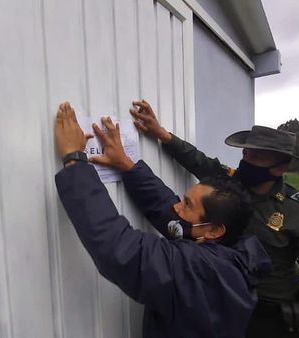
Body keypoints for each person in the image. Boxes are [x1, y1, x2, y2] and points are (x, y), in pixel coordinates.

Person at [129, 100, 299, 338]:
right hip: (224, 310)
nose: (245, 161)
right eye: (246, 153)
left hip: (270, 323)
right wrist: (162, 134)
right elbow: (199, 161)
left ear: (280, 167)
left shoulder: (298, 213)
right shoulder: (232, 184)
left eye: (256, 156)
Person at [53, 101, 271, 338]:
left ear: (214, 230)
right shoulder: (231, 253)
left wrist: (74, 160)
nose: (176, 206)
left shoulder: (200, 270)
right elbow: (166, 210)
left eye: (187, 204)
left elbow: (120, 250)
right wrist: (126, 165)